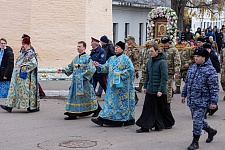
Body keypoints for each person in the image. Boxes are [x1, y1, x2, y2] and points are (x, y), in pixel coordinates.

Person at [181, 48, 218, 150]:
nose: (196, 58)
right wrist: (183, 94)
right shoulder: (192, 67)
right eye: (195, 57)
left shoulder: (210, 70)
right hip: (192, 99)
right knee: (198, 120)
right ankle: (210, 131)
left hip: (203, 100)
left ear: (204, 57)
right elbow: (187, 82)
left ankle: (195, 141)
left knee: (196, 121)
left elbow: (214, 87)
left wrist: (213, 102)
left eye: (198, 57)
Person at [91, 41, 135, 127]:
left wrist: (119, 74)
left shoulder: (125, 59)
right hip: (111, 86)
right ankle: (103, 118)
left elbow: (130, 70)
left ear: (122, 49)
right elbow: (105, 68)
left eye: (118, 47)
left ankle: (116, 119)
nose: (116, 48)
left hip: (121, 87)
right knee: (109, 103)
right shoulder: (111, 59)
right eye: (115, 47)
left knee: (119, 104)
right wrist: (98, 65)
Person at [136, 44, 175, 133]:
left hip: (159, 91)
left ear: (157, 51)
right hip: (150, 89)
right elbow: (147, 75)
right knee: (148, 109)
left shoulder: (162, 62)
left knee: (162, 108)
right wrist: (145, 86)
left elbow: (164, 77)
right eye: (149, 51)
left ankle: (167, 122)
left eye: (152, 51)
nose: (150, 53)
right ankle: (145, 126)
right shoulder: (149, 62)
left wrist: (161, 90)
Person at [58, 41, 99, 120]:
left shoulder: (88, 58)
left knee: (87, 97)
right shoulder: (76, 58)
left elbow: (92, 69)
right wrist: (63, 70)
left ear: (84, 47)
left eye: (79, 46)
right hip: (75, 82)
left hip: (84, 82)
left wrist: (83, 76)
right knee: (75, 97)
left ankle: (96, 109)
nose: (78, 48)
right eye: (77, 46)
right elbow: (70, 67)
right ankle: (72, 113)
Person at [0, 37, 40, 113]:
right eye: (22, 44)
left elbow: (34, 64)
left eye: (24, 44)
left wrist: (23, 67)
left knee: (25, 92)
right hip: (17, 77)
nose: (23, 46)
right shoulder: (22, 53)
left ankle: (30, 107)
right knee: (13, 91)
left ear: (28, 44)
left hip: (25, 78)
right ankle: (9, 106)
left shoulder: (31, 54)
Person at [21, 34, 46, 99]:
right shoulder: (23, 48)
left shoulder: (30, 49)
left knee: (34, 83)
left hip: (30, 69)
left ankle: (41, 93)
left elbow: (32, 60)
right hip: (26, 69)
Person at [161, 36, 181, 107]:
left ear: (168, 42)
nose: (163, 44)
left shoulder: (173, 50)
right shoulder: (161, 50)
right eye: (163, 43)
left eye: (165, 43)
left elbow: (177, 61)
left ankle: (168, 103)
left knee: (168, 87)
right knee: (162, 87)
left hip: (170, 72)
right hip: (161, 72)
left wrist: (177, 72)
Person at [203, 43, 220, 118]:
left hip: (211, 78)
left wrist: (211, 71)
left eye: (207, 49)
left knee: (211, 93)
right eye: (205, 49)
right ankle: (205, 110)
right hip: (203, 78)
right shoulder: (202, 56)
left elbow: (217, 68)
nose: (206, 50)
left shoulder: (213, 56)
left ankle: (213, 107)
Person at [124, 35, 141, 104]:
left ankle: (135, 98)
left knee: (129, 83)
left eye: (128, 40)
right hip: (127, 68)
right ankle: (131, 98)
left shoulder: (135, 48)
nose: (127, 42)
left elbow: (136, 58)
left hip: (132, 68)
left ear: (132, 40)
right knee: (127, 83)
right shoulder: (128, 47)